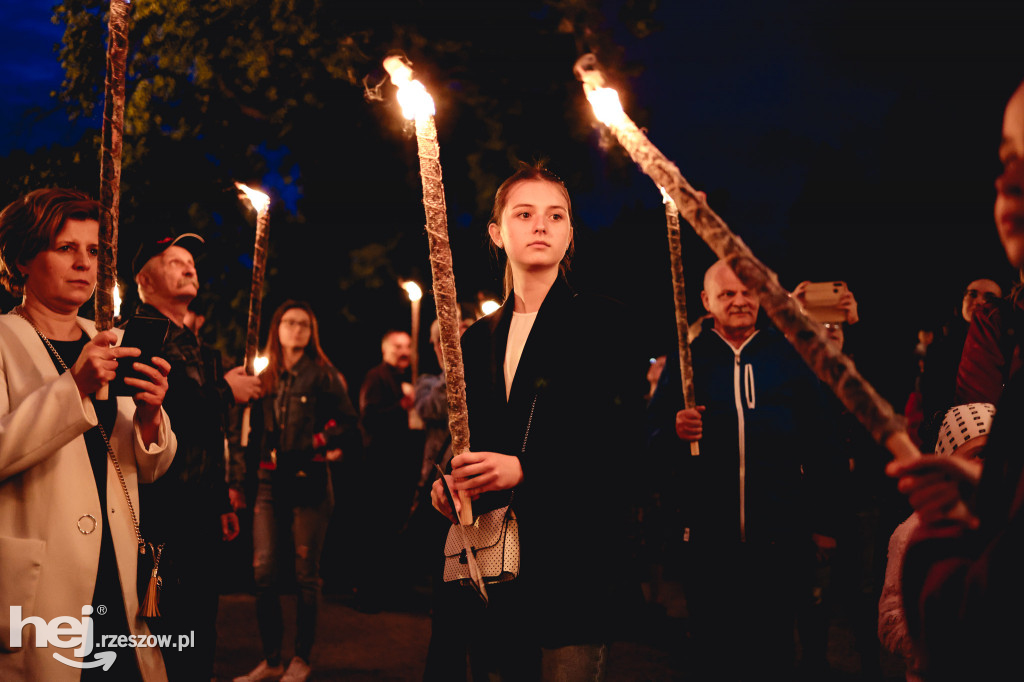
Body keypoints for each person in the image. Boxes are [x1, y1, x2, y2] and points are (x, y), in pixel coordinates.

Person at [430, 164, 645, 681]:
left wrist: (526, 469)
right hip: (495, 557)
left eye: (556, 215)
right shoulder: (477, 338)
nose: (541, 225)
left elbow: (622, 442)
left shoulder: (604, 321)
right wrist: (447, 481)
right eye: (523, 214)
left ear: (570, 233)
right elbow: (466, 434)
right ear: (497, 232)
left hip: (574, 558)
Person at [0, 188, 176, 680]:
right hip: (41, 577)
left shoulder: (111, 341)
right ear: (22, 259)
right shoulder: (3, 341)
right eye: (65, 248)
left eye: (95, 251)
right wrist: (73, 386)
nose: (84, 263)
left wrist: (149, 416)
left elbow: (151, 465)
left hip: (115, 568)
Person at [887, 77, 1024, 681]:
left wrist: (945, 548)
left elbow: (976, 617)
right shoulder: (991, 334)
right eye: (1007, 160)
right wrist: (991, 495)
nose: (1008, 182)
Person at [646, 260, 839, 681]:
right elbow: (651, 442)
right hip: (708, 543)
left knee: (772, 652)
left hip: (779, 539)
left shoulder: (789, 357)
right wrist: (674, 430)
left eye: (747, 292)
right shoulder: (689, 360)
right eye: (727, 293)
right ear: (706, 301)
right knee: (716, 654)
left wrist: (824, 523)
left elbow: (823, 442)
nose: (739, 301)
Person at [130, 232, 263, 680]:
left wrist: (222, 498)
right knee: (165, 624)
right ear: (145, 280)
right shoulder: (141, 334)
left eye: (191, 262)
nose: (189, 268)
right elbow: (165, 411)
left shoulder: (202, 348)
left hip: (202, 504)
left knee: (201, 623)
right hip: (162, 505)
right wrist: (229, 390)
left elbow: (212, 432)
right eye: (174, 262)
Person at [233, 301, 358, 682]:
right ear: (278, 328)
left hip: (310, 481)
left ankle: (301, 658)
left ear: (312, 330)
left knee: (306, 573)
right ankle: (271, 659)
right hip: (270, 482)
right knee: (264, 572)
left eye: (304, 324)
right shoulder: (264, 375)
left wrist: (317, 439)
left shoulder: (324, 375)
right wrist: (238, 482)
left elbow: (349, 423)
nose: (297, 329)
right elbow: (246, 433)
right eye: (290, 322)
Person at [879, 402, 994, 681]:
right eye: (976, 454)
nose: (986, 464)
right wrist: (928, 645)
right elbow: (890, 615)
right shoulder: (913, 532)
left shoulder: (1002, 521)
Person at [355, 329, 420, 606]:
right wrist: (401, 406)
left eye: (407, 345)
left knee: (395, 526)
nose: (403, 351)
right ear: (385, 349)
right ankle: (368, 593)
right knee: (376, 527)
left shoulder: (411, 379)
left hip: (401, 467)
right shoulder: (376, 377)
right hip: (379, 466)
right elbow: (368, 418)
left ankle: (391, 589)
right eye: (397, 346)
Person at [917, 278, 1003, 445]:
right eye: (972, 294)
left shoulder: (1008, 349)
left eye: (990, 298)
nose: (979, 301)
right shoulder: (939, 348)